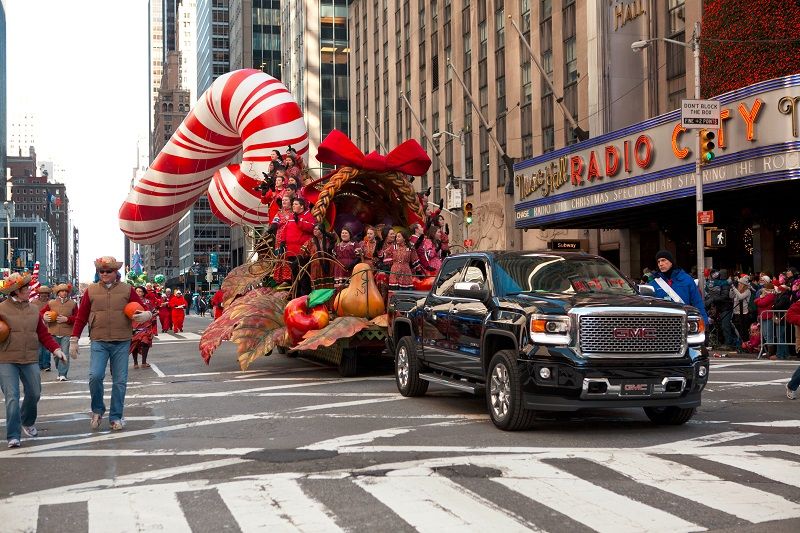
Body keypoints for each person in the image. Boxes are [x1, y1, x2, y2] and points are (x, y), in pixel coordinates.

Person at [69, 256, 151, 431]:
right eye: (102, 271)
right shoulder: (90, 290)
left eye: (108, 271)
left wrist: (146, 315)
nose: (105, 274)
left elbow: (142, 308)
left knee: (120, 381)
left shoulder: (128, 289)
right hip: (99, 340)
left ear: (116, 272)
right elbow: (81, 316)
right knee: (95, 376)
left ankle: (116, 416)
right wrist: (74, 339)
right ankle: (97, 410)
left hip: (122, 341)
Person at [0, 273, 67, 447]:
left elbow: (43, 334)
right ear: (16, 292)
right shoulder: (1, 309)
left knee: (35, 393)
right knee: (12, 397)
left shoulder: (33, 310)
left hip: (30, 358)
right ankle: (13, 435)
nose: (29, 290)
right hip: (6, 359)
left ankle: (27, 421)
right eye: (26, 288)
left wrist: (57, 349)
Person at [649, 250, 709, 326]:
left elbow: (697, 302)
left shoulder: (687, 280)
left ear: (671, 261)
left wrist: (704, 322)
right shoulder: (653, 283)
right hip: (661, 326)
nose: (660, 264)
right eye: (658, 261)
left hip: (683, 324)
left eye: (663, 260)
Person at [39, 283, 77, 381]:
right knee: (56, 354)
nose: (64, 293)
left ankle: (63, 373)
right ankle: (59, 369)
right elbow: (42, 312)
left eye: (65, 291)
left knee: (65, 353)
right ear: (58, 293)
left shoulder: (73, 303)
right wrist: (44, 316)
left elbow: (78, 317)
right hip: (53, 331)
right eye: (62, 291)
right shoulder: (51, 303)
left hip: (67, 332)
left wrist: (67, 319)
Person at [300, 224, 336, 290]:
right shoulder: (311, 241)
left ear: (322, 230)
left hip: (329, 265)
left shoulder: (328, 239)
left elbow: (334, 237)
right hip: (316, 266)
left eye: (317, 229)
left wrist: (325, 233)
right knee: (317, 286)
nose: (315, 231)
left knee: (329, 285)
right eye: (314, 229)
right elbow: (303, 254)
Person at [130, 286, 158, 369]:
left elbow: (154, 312)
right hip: (134, 327)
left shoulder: (148, 302)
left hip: (146, 327)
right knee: (134, 344)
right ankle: (135, 363)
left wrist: (151, 317)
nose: (138, 293)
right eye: (137, 291)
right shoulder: (131, 302)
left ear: (143, 293)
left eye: (140, 291)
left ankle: (144, 362)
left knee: (145, 343)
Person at [33, 286, 52, 371]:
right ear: (39, 295)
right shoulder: (34, 303)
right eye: (42, 295)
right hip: (37, 328)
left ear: (48, 295)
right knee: (39, 349)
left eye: (45, 295)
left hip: (49, 328)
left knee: (47, 349)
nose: (44, 296)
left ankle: (47, 365)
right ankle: (39, 364)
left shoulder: (51, 303)